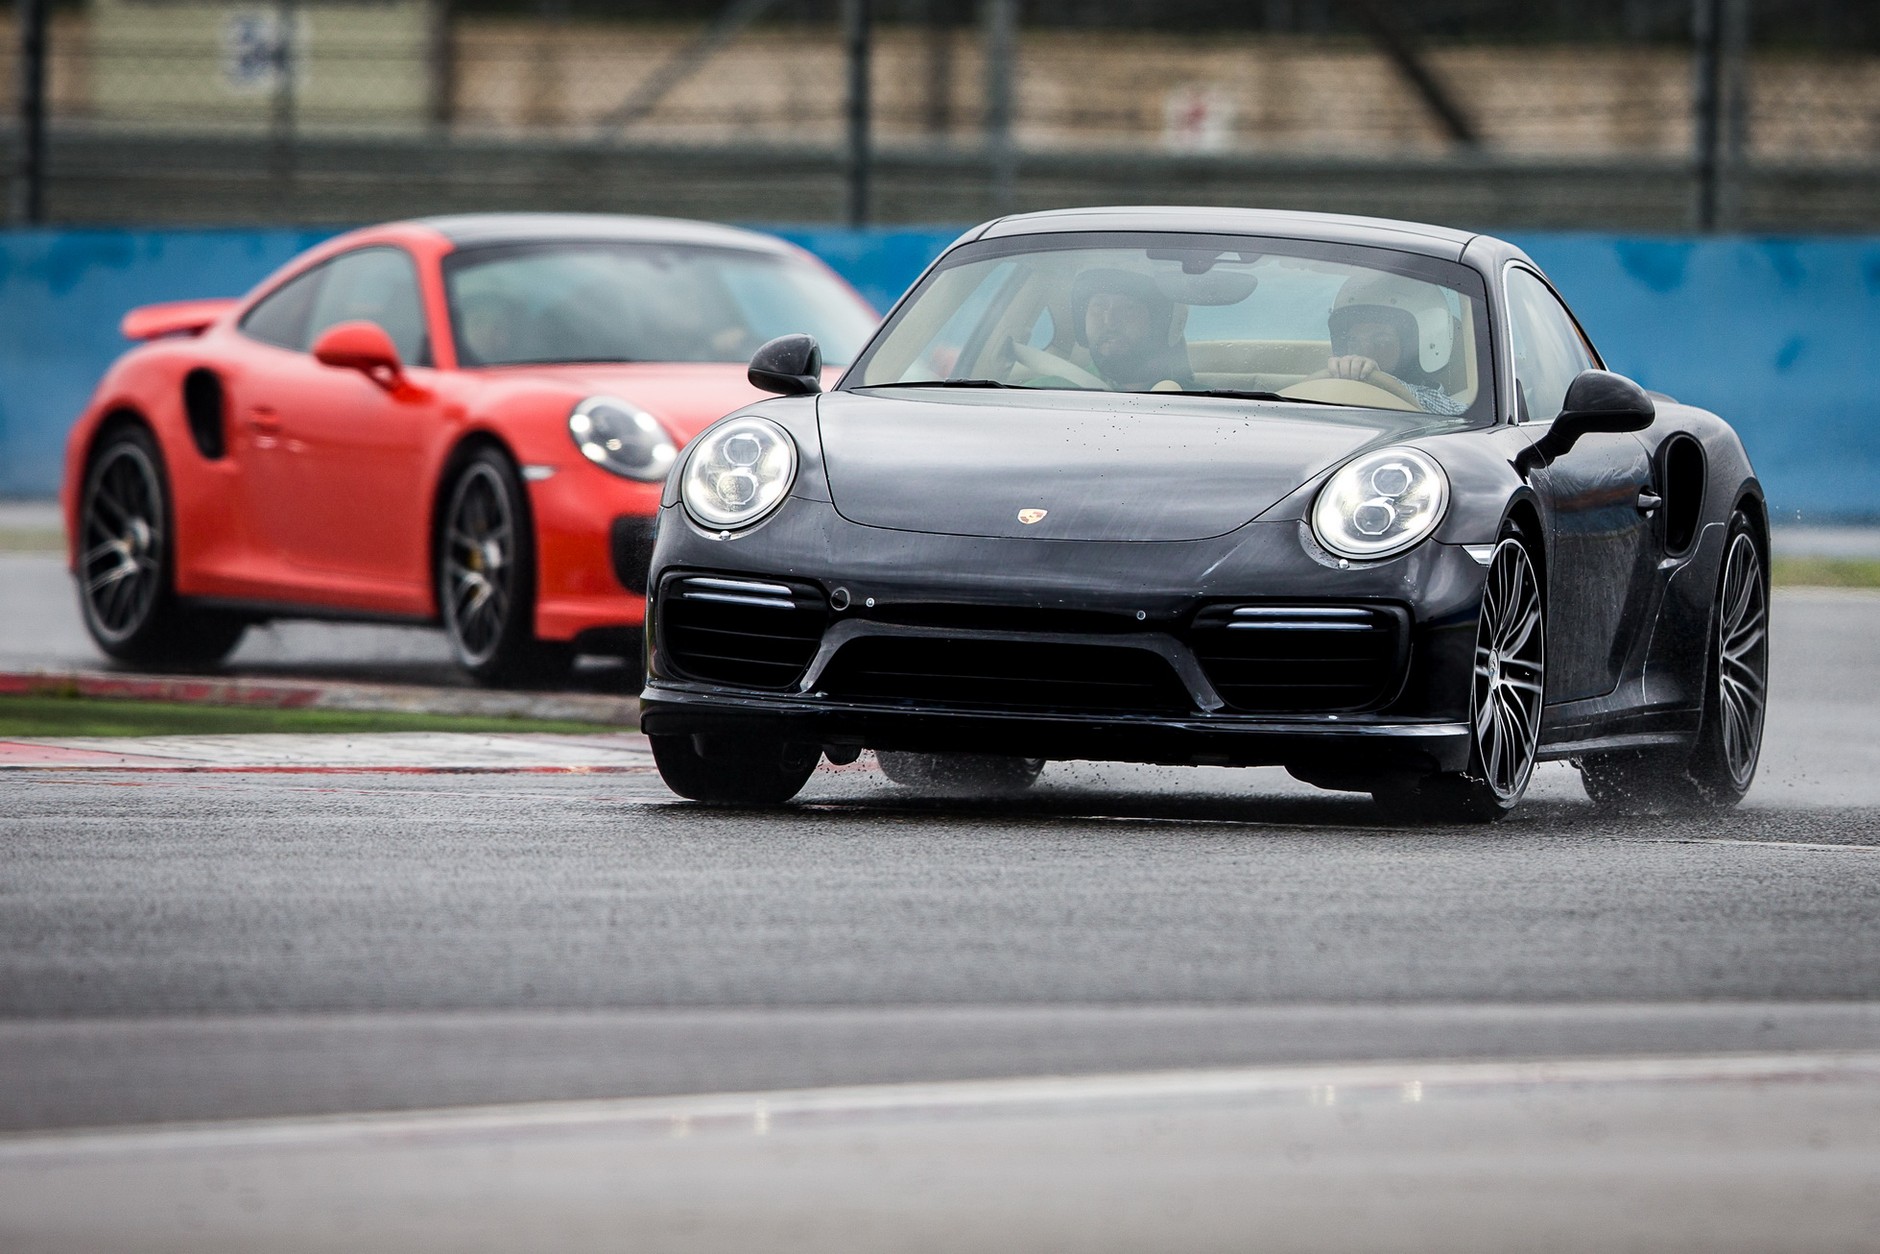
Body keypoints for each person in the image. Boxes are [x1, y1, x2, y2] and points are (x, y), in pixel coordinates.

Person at [1307, 273, 1465, 416]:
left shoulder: (1430, 398)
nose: (1364, 352)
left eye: (1381, 341)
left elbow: (1461, 416)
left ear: (1421, 343)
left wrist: (1381, 381)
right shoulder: (1331, 387)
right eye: (1353, 340)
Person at [1061, 268, 1195, 391]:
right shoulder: (1054, 392)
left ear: (1159, 323)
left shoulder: (1200, 401)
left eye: (1129, 308)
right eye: (1098, 306)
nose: (1109, 321)